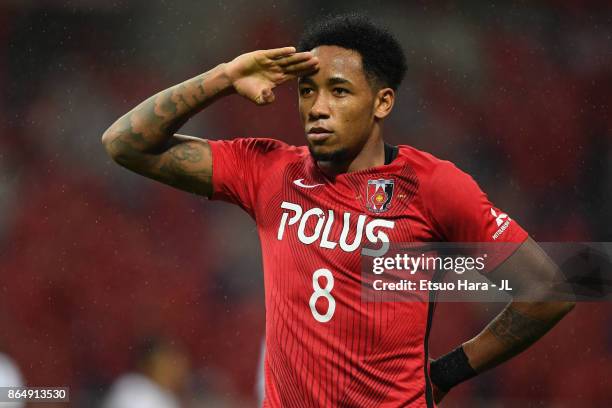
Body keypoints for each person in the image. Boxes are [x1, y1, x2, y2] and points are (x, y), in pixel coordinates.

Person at [102, 13, 574, 407]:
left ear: (382, 102)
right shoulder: (269, 171)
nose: (317, 108)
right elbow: (124, 144)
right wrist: (224, 77)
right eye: (307, 90)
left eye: (339, 91)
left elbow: (549, 288)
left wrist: (446, 372)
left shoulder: (432, 186)